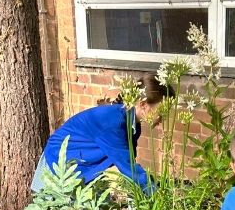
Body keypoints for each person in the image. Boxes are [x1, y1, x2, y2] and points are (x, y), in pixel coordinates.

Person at [31, 73, 173, 192]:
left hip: (82, 165)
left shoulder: (133, 125)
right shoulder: (112, 123)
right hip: (57, 165)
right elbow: (127, 167)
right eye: (161, 112)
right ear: (143, 105)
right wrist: (157, 193)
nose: (162, 119)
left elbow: (130, 164)